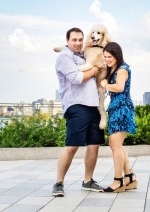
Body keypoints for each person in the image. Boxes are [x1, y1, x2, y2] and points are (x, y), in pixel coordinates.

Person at [52, 27, 105, 197]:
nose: (78, 43)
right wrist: (95, 70)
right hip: (76, 106)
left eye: (80, 39)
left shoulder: (82, 54)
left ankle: (88, 181)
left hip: (93, 105)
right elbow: (77, 78)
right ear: (67, 40)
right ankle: (58, 183)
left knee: (94, 144)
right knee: (72, 145)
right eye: (74, 40)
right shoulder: (64, 57)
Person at [100, 42, 137, 193]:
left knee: (115, 146)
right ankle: (129, 177)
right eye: (105, 57)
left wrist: (105, 84)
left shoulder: (122, 69)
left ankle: (118, 181)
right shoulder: (115, 68)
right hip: (116, 108)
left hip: (122, 109)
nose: (107, 59)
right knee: (116, 145)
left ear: (117, 55)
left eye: (109, 57)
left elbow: (120, 87)